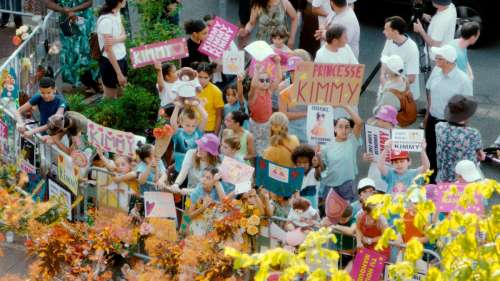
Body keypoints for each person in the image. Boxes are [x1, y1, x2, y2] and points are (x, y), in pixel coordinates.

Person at [425, 45, 472, 183]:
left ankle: (446, 184)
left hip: (451, 123)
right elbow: (431, 95)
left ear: (448, 61)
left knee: (447, 155)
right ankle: (430, 182)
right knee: (431, 151)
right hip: (433, 119)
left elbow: (467, 107)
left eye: (438, 58)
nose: (435, 60)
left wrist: (463, 130)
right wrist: (427, 116)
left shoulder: (463, 80)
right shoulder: (436, 72)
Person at [45, 0, 100, 93]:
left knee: (87, 51)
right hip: (67, 22)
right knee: (71, 53)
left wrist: (72, 10)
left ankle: (93, 82)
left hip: (84, 21)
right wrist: (63, 10)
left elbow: (90, 2)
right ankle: (82, 82)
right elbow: (47, 2)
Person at [320, 105, 363, 203]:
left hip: (347, 184)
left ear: (350, 130)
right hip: (329, 185)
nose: (344, 130)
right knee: (329, 213)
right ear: (334, 129)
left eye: (347, 127)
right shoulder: (326, 145)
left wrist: (345, 106)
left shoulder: (352, 140)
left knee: (346, 213)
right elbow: (322, 168)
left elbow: (359, 123)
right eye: (340, 127)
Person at [436, 95, 483, 182]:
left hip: (444, 178)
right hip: (464, 179)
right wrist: (481, 154)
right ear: (467, 116)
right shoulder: (473, 133)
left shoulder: (439, 127)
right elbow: (480, 154)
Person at [314, 24, 358, 119]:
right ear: (334, 41)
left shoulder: (346, 48)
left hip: (347, 92)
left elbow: (355, 67)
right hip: (332, 96)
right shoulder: (321, 55)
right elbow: (319, 79)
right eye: (344, 37)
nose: (347, 39)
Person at [249, 56, 282, 156]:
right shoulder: (253, 94)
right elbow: (253, 85)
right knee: (253, 151)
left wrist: (277, 63)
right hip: (254, 125)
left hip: (267, 125)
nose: (265, 83)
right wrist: (257, 71)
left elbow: (279, 78)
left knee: (266, 152)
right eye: (262, 80)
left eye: (267, 80)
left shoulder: (269, 92)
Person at [381, 16, 420, 100]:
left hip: (405, 93)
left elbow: (411, 78)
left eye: (386, 30)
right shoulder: (390, 40)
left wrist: (392, 85)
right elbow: (384, 58)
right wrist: (382, 76)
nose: (383, 32)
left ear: (395, 32)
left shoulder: (412, 49)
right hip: (390, 86)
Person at [97, 0, 128, 99]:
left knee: (121, 94)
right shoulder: (106, 21)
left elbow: (124, 36)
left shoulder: (117, 13)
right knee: (110, 97)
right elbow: (108, 49)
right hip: (110, 62)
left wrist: (115, 40)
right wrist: (119, 74)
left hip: (121, 58)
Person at [364, 105, 399, 193]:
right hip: (373, 178)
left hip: (388, 182)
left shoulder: (399, 137)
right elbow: (367, 154)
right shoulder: (373, 132)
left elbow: (404, 162)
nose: (380, 122)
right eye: (379, 119)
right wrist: (366, 156)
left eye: (384, 120)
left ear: (392, 123)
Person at [279, 50, 312, 143]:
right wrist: (306, 114)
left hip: (307, 133)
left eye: (297, 70)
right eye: (292, 71)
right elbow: (283, 114)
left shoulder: (311, 85)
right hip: (290, 133)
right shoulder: (283, 87)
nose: (294, 74)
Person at [186, 167, 226, 236]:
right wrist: (203, 207)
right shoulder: (197, 192)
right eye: (203, 176)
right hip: (196, 224)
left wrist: (216, 182)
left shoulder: (216, 189)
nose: (204, 179)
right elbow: (189, 216)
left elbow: (224, 201)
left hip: (211, 223)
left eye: (208, 178)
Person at [170, 102, 208, 173]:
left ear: (196, 124)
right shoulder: (178, 133)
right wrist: (177, 107)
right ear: (181, 122)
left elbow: (205, 117)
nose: (190, 128)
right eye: (187, 125)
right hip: (179, 170)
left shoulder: (198, 133)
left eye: (193, 125)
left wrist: (197, 105)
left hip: (193, 172)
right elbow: (172, 122)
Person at [195, 62, 225, 134]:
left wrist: (215, 134)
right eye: (200, 77)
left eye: (205, 77)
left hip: (208, 130)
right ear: (196, 75)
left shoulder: (216, 92)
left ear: (210, 76)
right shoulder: (191, 88)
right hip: (192, 127)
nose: (202, 80)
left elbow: (219, 116)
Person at [292, 144, 322, 209]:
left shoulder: (314, 171)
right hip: (297, 211)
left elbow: (318, 175)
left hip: (312, 211)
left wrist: (317, 166)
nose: (302, 165)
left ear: (310, 162)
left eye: (305, 162)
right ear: (295, 162)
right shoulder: (294, 173)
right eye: (299, 162)